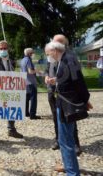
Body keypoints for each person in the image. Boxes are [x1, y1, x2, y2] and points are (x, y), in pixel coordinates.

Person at [45, 41, 93, 175]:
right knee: (64, 139)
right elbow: (69, 80)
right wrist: (56, 80)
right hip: (62, 104)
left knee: (66, 141)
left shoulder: (68, 60)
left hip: (67, 105)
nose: (48, 56)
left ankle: (72, 172)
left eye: (48, 53)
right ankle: (69, 166)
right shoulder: (63, 60)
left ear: (54, 50)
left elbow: (79, 83)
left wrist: (85, 100)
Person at [0, 40, 23, 146]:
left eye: (5, 48)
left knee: (11, 110)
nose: (3, 50)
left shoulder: (12, 61)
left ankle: (11, 130)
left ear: (8, 49)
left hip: (10, 91)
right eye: (1, 48)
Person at [50, 34, 82, 155]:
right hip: (52, 92)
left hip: (67, 95)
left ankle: (75, 144)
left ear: (65, 44)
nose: (55, 45)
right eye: (54, 42)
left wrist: (84, 98)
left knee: (71, 117)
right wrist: (48, 77)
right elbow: (49, 70)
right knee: (56, 117)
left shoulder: (71, 57)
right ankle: (58, 139)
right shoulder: (52, 56)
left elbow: (76, 79)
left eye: (58, 42)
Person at [20, 48, 41, 120]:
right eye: (32, 52)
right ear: (29, 54)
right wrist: (37, 70)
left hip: (24, 81)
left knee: (26, 98)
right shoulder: (28, 60)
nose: (33, 54)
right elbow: (30, 71)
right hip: (31, 81)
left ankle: (26, 113)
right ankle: (33, 115)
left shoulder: (22, 60)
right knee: (33, 98)